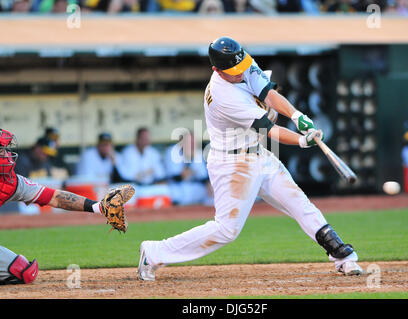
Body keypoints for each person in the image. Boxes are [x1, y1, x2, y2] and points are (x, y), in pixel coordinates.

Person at [137, 36, 363, 281]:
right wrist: (300, 140)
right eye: (233, 71)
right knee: (226, 230)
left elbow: (268, 93)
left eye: (241, 66)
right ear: (216, 69)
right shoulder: (223, 96)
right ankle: (154, 251)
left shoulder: (241, 62)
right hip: (232, 165)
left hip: (259, 156)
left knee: (300, 204)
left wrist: (297, 115)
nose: (240, 73)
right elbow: (269, 128)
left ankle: (343, 257)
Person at [0, 128, 134, 285]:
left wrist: (97, 206)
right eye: (2, 150)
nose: (7, 154)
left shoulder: (10, 182)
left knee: (23, 271)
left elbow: (55, 197)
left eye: (6, 149)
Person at [163, 131, 212, 206]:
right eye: (188, 142)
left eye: (193, 142)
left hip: (195, 186)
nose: (191, 145)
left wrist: (208, 185)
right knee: (172, 193)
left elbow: (204, 177)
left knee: (212, 194)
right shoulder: (173, 151)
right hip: (176, 187)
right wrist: (189, 164)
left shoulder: (197, 153)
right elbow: (176, 177)